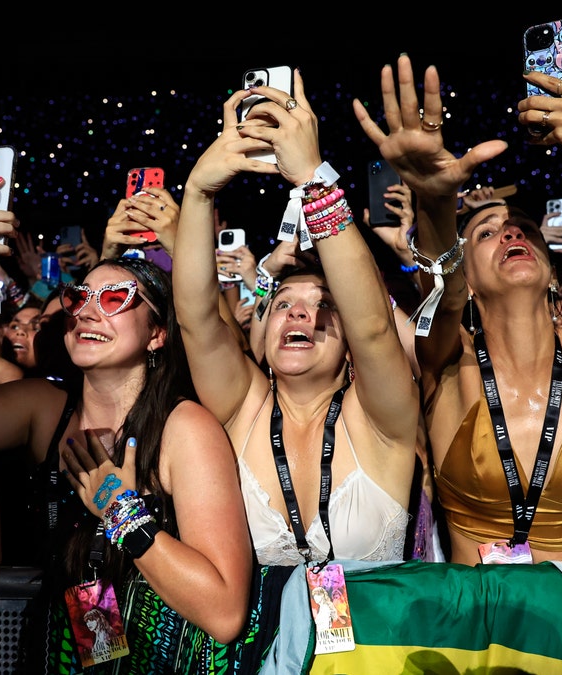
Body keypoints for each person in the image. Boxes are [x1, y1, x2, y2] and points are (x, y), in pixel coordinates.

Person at [0, 179, 252, 673]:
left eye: (116, 298)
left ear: (158, 333)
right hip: (67, 656)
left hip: (164, 662)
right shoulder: (45, 410)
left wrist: (120, 510)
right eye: (79, 297)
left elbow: (224, 612)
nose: (89, 310)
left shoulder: (186, 428)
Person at [357, 55, 562, 566]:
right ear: (469, 274)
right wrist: (437, 203)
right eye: (486, 232)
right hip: (475, 639)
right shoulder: (448, 361)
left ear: (552, 271)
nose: (510, 232)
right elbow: (444, 298)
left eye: (523, 228)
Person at [173, 69, 419, 669]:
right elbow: (199, 319)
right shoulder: (242, 408)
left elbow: (373, 328)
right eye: (284, 303)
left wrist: (314, 180)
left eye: (320, 306)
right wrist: (198, 193)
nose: (299, 314)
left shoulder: (382, 418)